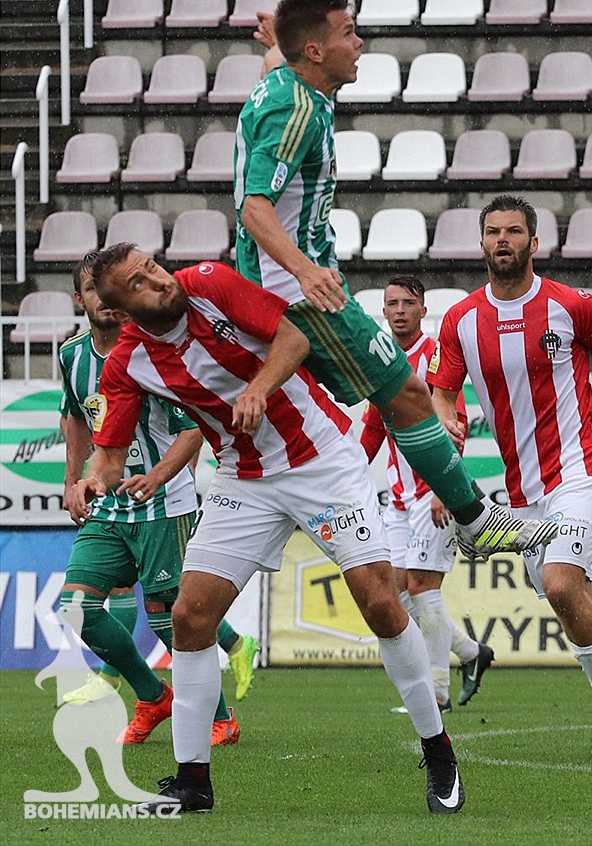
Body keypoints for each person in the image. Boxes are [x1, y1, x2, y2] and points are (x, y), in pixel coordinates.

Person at [71, 244, 466, 816]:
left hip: (322, 461)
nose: (159, 279)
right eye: (140, 281)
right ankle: (192, 782)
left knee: (381, 601)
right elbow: (107, 456)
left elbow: (295, 337)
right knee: (189, 615)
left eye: (153, 265)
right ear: (121, 307)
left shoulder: (208, 281)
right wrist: (91, 482)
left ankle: (438, 750)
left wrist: (258, 386)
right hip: (244, 477)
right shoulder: (126, 364)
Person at [234, 0, 557, 564]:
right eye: (347, 34)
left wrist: (276, 37)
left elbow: (277, 60)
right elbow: (255, 207)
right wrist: (305, 270)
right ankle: (472, 518)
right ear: (315, 50)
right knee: (406, 393)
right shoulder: (295, 107)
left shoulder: (283, 81)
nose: (360, 44)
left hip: (281, 283)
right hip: (299, 294)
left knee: (351, 411)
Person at [429, 195, 592, 761]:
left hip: (580, 471)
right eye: (493, 232)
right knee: (572, 600)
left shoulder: (570, 306)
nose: (503, 240)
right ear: (481, 243)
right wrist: (447, 419)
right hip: (523, 493)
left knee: (562, 583)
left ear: (534, 243)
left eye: (515, 231)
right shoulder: (462, 321)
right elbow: (442, 393)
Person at [59, 253, 247, 746]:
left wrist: (158, 478)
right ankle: (152, 695)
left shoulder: (150, 353)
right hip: (108, 502)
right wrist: (74, 479)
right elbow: (77, 418)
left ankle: (220, 715)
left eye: (108, 292)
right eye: (92, 291)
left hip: (165, 503)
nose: (102, 300)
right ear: (81, 299)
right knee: (76, 608)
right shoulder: (72, 356)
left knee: (172, 620)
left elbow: (193, 431)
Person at [359, 277, 494, 710]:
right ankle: (472, 653)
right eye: (392, 303)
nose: (399, 310)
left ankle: (436, 693)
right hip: (398, 496)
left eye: (408, 303)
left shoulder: (435, 355)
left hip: (430, 492)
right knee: (396, 591)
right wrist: (351, 477)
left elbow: (457, 421)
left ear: (422, 310)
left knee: (421, 586)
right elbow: (375, 425)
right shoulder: (381, 360)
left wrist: (444, 487)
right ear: (383, 312)